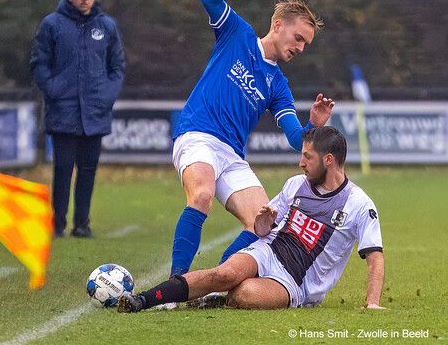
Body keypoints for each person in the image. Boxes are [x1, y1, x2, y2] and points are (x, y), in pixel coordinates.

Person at [169, 0, 335, 279]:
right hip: (197, 135)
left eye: (305, 44)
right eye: (298, 38)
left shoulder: (278, 85)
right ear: (277, 26)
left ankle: (214, 283)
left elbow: (295, 140)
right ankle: (177, 283)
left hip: (232, 156)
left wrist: (314, 125)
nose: (301, 47)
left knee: (264, 223)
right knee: (202, 195)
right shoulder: (238, 35)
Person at [118, 126, 385, 312]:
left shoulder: (359, 204)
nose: (301, 163)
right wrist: (263, 221)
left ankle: (219, 298)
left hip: (295, 283)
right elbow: (261, 229)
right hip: (267, 251)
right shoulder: (296, 184)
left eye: (307, 157)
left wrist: (372, 302)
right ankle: (143, 300)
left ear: (328, 160)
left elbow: (375, 257)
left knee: (245, 293)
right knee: (224, 274)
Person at [30, 0, 126, 238]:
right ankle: (57, 224)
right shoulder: (52, 24)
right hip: (64, 111)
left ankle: (81, 224)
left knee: (87, 170)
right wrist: (54, 90)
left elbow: (117, 66)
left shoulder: (106, 26)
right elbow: (39, 63)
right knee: (62, 170)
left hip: (95, 113)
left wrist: (106, 96)